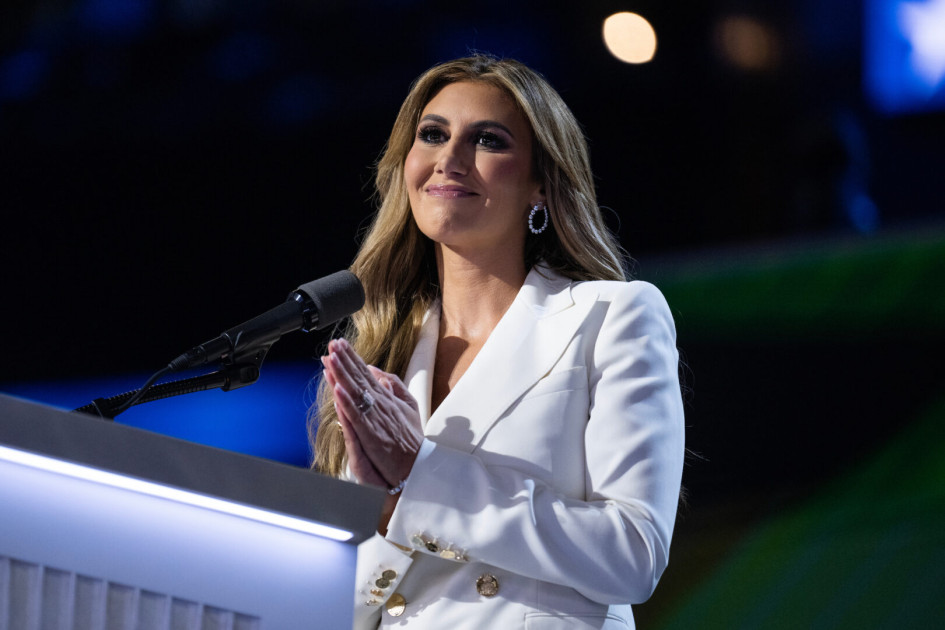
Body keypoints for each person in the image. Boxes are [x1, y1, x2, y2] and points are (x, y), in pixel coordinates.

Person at [310, 54, 685, 630]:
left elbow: (633, 555)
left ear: (540, 184)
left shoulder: (613, 316)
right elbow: (342, 603)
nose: (449, 159)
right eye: (432, 135)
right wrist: (390, 509)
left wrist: (421, 473)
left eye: (487, 140)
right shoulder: (380, 352)